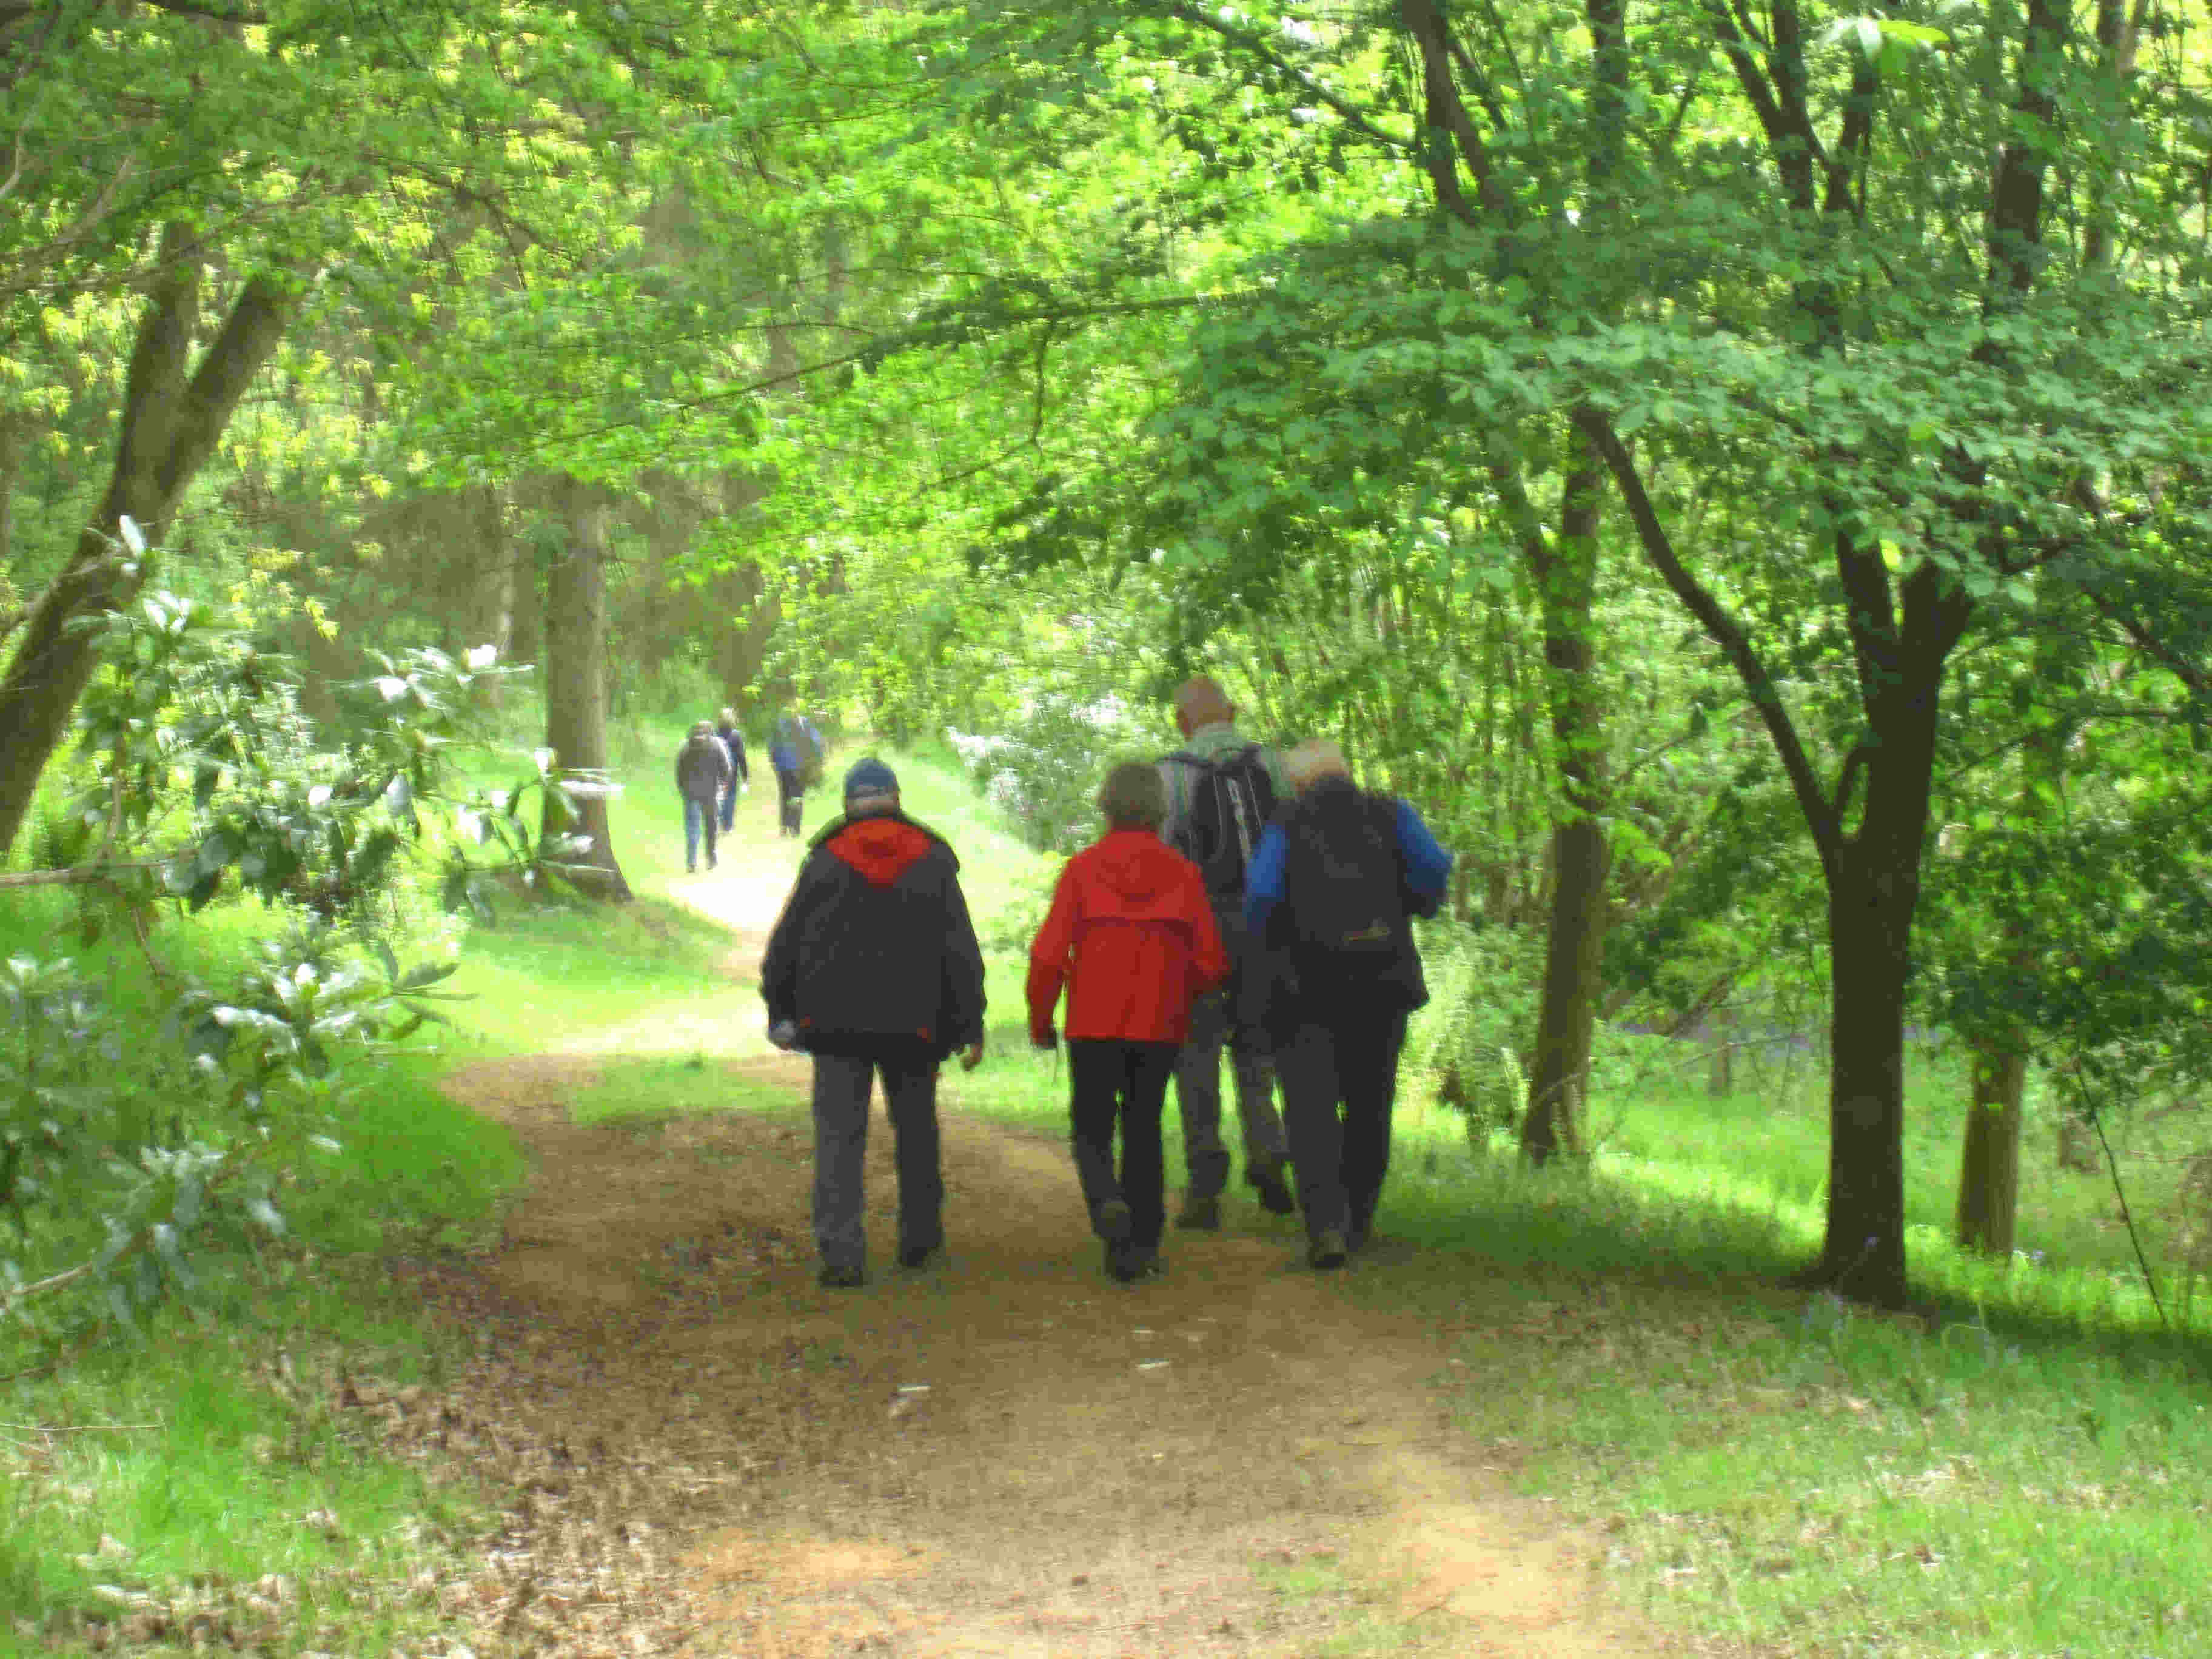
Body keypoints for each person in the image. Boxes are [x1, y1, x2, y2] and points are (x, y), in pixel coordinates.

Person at [760, 758, 987, 1288]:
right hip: (918, 1027)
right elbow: (961, 952)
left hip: (837, 1028)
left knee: (840, 1139)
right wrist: (969, 1023)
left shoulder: (824, 861)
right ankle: (921, 1241)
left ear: (848, 803)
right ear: (897, 799)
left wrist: (781, 1011)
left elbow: (786, 948)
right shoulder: (933, 859)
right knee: (917, 1133)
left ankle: (841, 1255)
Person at [1245, 739, 1452, 1270]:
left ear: (1298, 783)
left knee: (1310, 1109)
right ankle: (1359, 1219)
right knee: (1370, 1105)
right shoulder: (1391, 812)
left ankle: (1325, 1228)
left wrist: (1267, 948)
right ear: (1347, 774)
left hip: (1303, 988)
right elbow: (1434, 868)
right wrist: (1414, 903)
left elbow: (1262, 894)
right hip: (1382, 985)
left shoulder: (1286, 823)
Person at [1027, 763, 1229, 1282]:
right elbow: (1211, 962)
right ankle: (1143, 1243)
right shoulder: (1183, 874)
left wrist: (1041, 1017)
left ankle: (1107, 1205)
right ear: (1160, 810)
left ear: (1107, 807)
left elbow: (1050, 954)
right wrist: (1179, 989)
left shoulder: (1083, 869)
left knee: (1091, 1127)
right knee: (1142, 1127)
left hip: (1093, 1021)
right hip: (1159, 1022)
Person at [1156, 675, 1296, 1228]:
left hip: (1201, 932)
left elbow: (1164, 860)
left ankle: (1205, 1183)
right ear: (1233, 713)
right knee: (1258, 1050)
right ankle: (1269, 1157)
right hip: (1267, 929)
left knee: (1197, 1054)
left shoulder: (1169, 775)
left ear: (1181, 722)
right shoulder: (1274, 767)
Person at [675, 719, 734, 873]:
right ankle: (711, 858)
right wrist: (722, 783)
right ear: (710, 731)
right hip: (710, 793)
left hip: (690, 794)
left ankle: (691, 861)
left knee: (692, 828)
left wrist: (683, 790)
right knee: (710, 826)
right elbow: (726, 769)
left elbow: (679, 772)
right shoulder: (716, 744)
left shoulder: (685, 745)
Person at [715, 706, 749, 834]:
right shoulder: (736, 736)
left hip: (717, 771)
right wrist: (745, 778)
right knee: (730, 797)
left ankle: (720, 822)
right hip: (731, 772)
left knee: (719, 796)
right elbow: (742, 757)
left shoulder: (714, 733)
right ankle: (728, 826)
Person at [769, 713, 805, 837]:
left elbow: (773, 745)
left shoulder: (780, 725)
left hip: (783, 767)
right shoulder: (800, 726)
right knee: (796, 796)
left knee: (784, 796)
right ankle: (794, 827)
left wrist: (773, 761)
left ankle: (784, 826)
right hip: (797, 768)